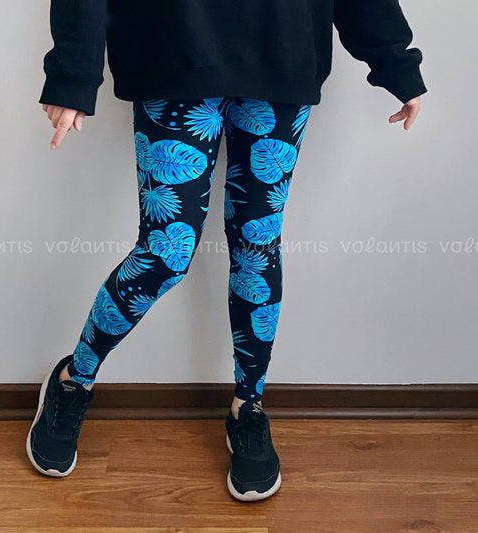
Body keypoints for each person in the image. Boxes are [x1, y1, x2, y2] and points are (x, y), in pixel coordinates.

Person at [26, 0, 427, 502]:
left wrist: (395, 61)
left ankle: (248, 407)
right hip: (172, 53)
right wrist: (72, 74)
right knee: (164, 255)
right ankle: (73, 379)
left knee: (257, 249)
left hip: (281, 55)